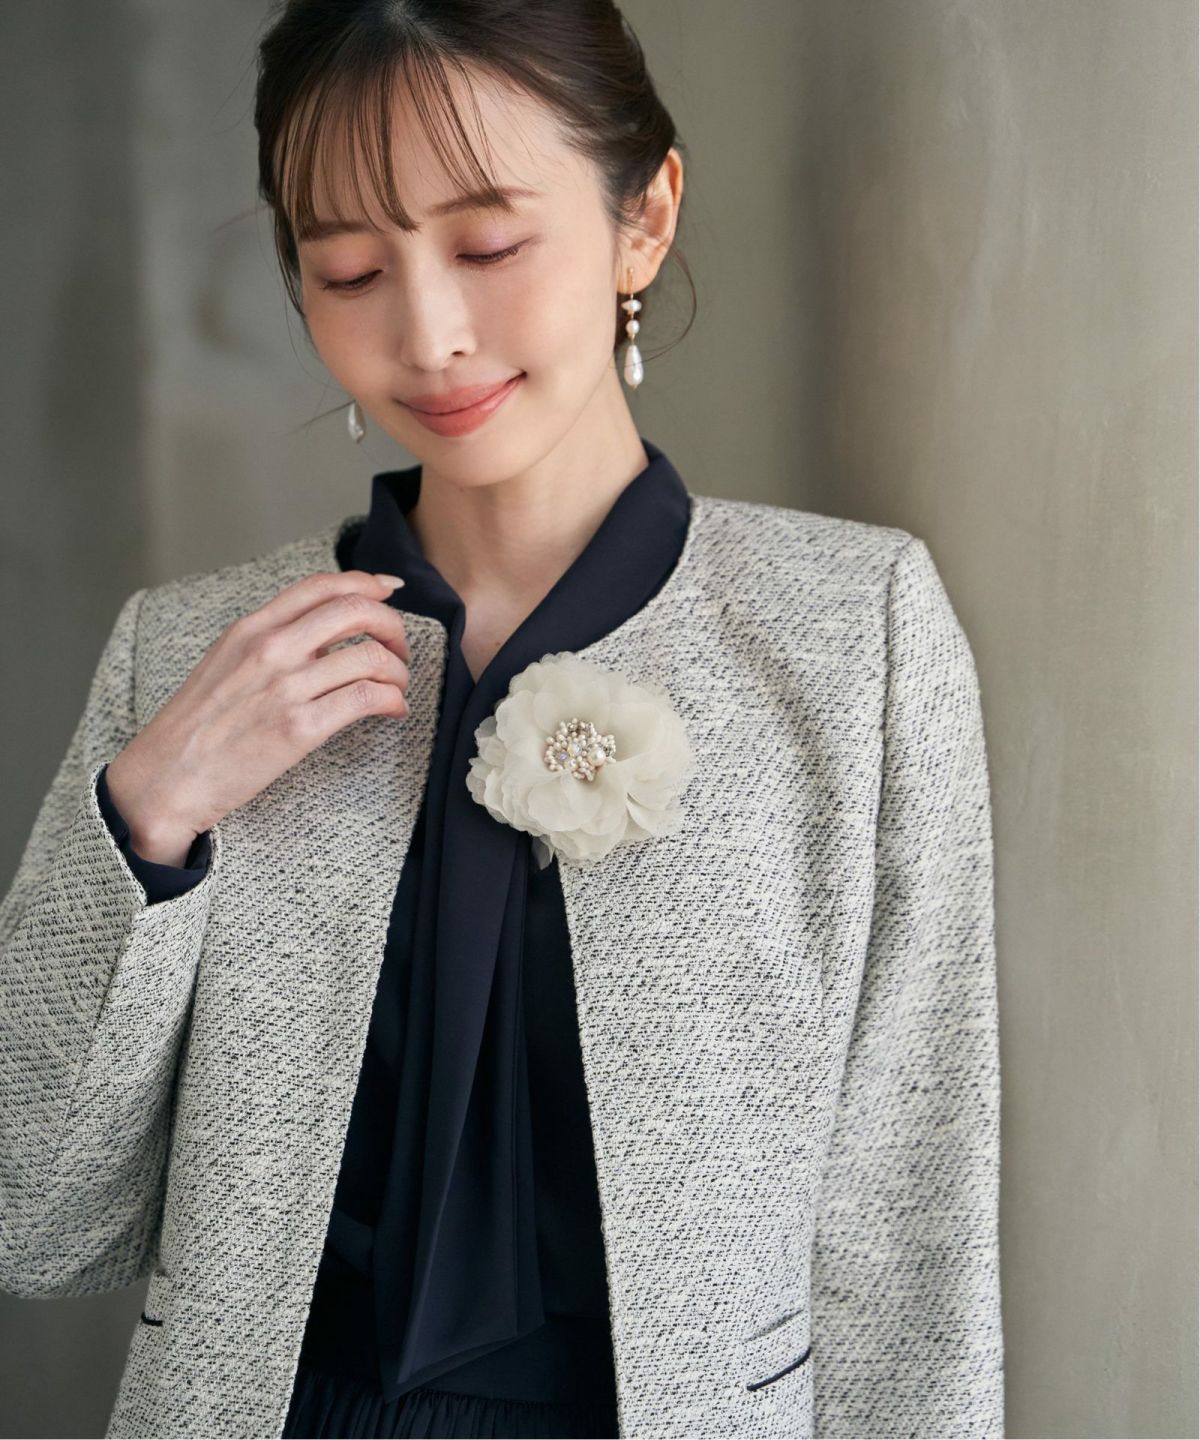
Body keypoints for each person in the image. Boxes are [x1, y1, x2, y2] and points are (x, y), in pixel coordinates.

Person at [0, 3, 1005, 1438]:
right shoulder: (189, 654)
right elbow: (31, 1216)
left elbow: (914, 1251)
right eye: (350, 270)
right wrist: (147, 818)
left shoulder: (854, 637)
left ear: (643, 218)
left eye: (487, 246)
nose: (430, 336)